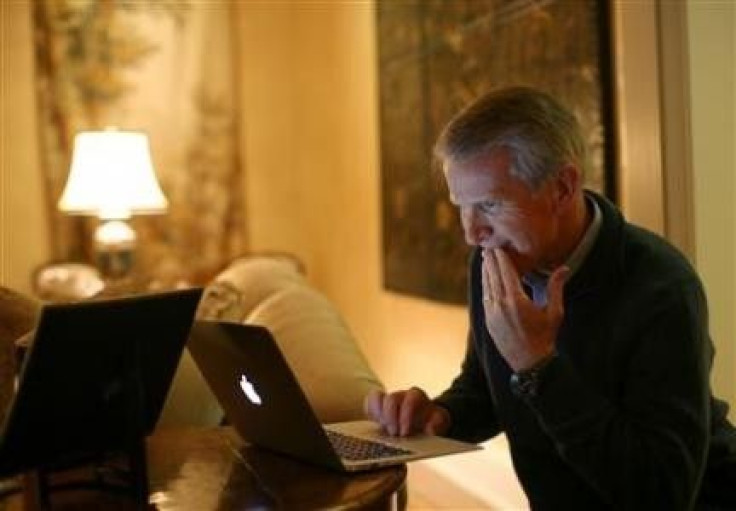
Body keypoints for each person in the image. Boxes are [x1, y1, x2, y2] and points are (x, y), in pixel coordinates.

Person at [364, 87, 736, 510]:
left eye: (489, 204)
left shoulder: (662, 287)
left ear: (562, 187)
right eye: (461, 207)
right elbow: (484, 390)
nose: (471, 234)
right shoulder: (492, 261)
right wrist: (439, 415)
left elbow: (660, 494)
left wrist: (538, 366)